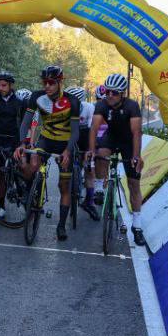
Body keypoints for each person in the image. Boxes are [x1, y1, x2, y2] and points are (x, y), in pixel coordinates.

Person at [16, 64, 80, 241]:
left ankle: (61, 226)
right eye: (45, 82)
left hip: (65, 144)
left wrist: (68, 151)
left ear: (60, 82)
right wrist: (22, 143)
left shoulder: (72, 101)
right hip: (45, 140)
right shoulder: (37, 97)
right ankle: (30, 196)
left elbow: (75, 132)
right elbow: (25, 123)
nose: (47, 86)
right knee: (33, 162)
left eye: (51, 83)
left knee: (64, 186)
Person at [89, 73, 145, 243]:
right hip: (111, 137)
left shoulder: (132, 106)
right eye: (107, 92)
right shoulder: (101, 105)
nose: (110, 96)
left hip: (129, 142)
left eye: (114, 93)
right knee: (100, 154)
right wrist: (91, 150)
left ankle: (137, 226)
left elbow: (136, 133)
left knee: (133, 184)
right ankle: (99, 187)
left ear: (122, 94)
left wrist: (136, 156)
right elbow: (94, 128)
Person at [0, 70, 27, 223]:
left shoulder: (20, 102)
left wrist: (23, 142)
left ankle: (26, 199)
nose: (1, 88)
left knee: (21, 169)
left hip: (14, 140)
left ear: (10, 85)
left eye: (4, 85)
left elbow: (25, 123)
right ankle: (2, 206)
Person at [65, 86, 100, 220]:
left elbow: (93, 130)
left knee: (89, 170)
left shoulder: (89, 107)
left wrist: (90, 151)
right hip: (71, 134)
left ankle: (89, 202)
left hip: (86, 134)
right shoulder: (65, 108)